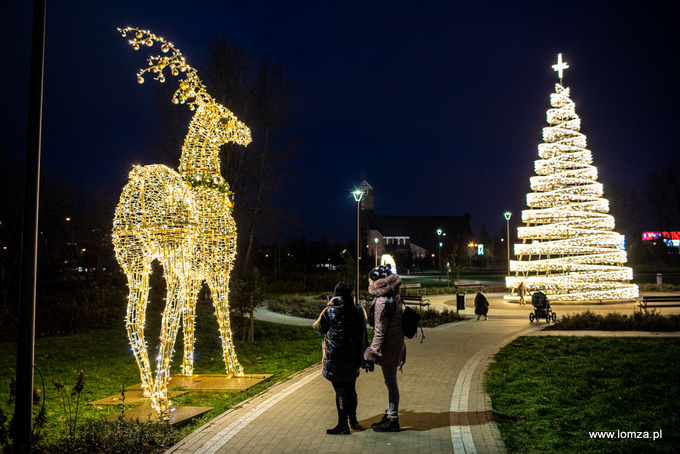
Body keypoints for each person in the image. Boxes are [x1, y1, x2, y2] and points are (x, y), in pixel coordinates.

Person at [313, 281, 367, 435]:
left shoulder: (329, 311)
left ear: (336, 294)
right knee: (351, 387)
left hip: (336, 357)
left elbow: (318, 327)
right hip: (353, 356)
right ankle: (353, 420)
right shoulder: (358, 310)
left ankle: (342, 424)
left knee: (340, 388)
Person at [364, 264, 406, 432]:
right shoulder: (393, 295)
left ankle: (393, 419)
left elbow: (380, 332)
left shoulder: (382, 300)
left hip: (389, 347)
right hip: (396, 344)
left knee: (390, 381)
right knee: (391, 381)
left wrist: (372, 354)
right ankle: (391, 414)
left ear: (377, 281)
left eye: (370, 280)